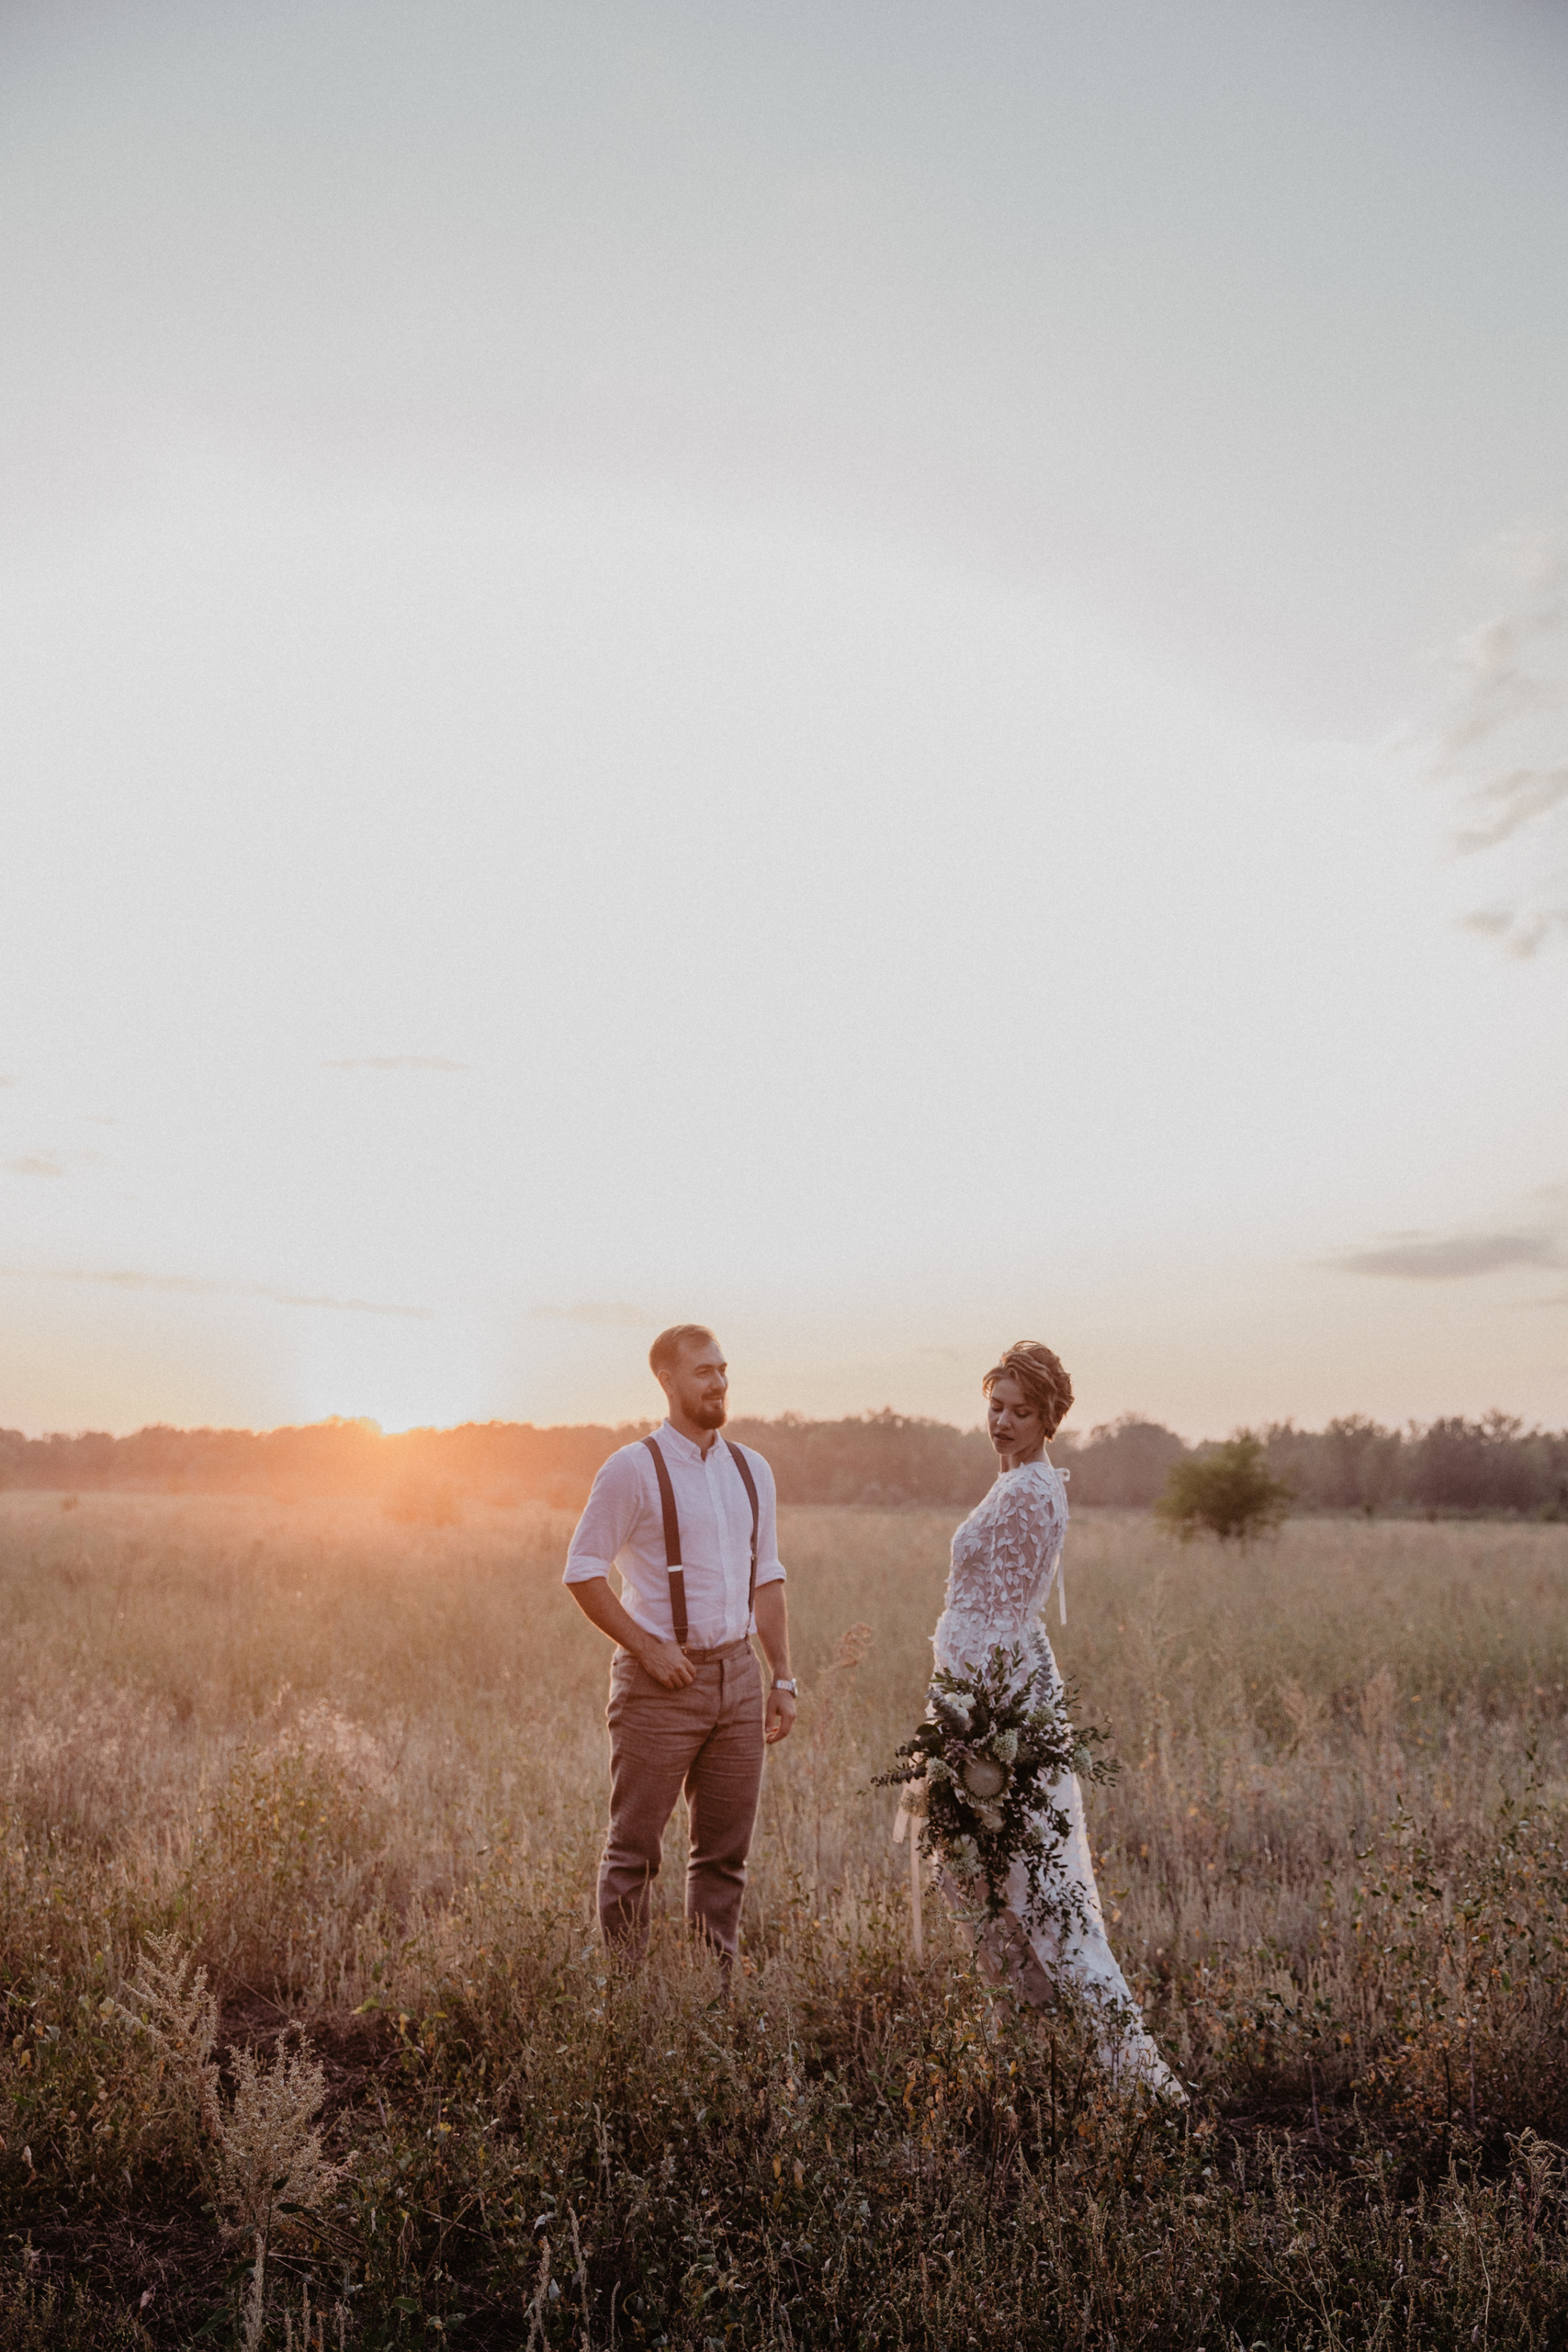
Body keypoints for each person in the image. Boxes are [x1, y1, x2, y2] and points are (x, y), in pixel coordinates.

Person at [927, 1339, 1182, 2098]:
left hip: (993, 1705)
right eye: (995, 1406)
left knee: (1034, 1886)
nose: (1001, 1422)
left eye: (1019, 1411)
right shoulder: (1013, 1482)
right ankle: (1032, 2042)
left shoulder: (1033, 1492)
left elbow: (1005, 1621)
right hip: (971, 1695)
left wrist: (977, 1725)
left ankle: (1131, 2072)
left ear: (1048, 1418)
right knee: (973, 1873)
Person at [563, 1324, 795, 1969]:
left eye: (722, 1369)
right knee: (634, 1853)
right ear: (666, 1380)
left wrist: (782, 1678)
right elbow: (582, 1569)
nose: (718, 1382)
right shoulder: (631, 1468)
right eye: (703, 1372)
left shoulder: (752, 1470)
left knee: (724, 1857)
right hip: (659, 1686)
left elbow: (767, 1575)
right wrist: (647, 1648)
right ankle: (627, 2001)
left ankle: (709, 2003)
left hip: (739, 1678)